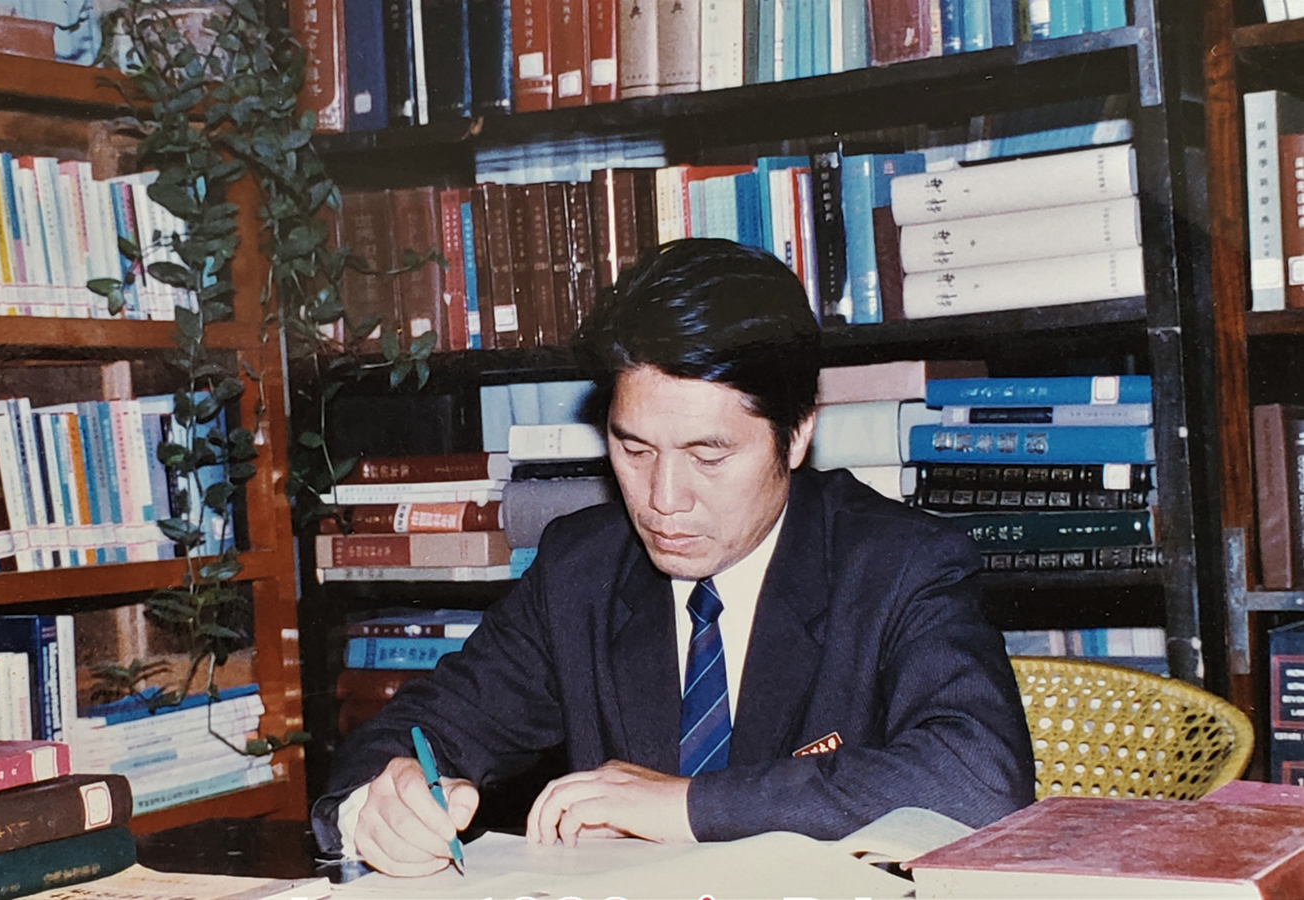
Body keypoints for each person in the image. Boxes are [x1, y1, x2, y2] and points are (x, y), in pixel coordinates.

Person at [311, 238, 1034, 876]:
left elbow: (976, 779)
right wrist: (383, 805)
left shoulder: (900, 565)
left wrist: (685, 805)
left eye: (708, 454)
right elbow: (413, 735)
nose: (663, 499)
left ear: (797, 434)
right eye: (633, 448)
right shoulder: (582, 571)